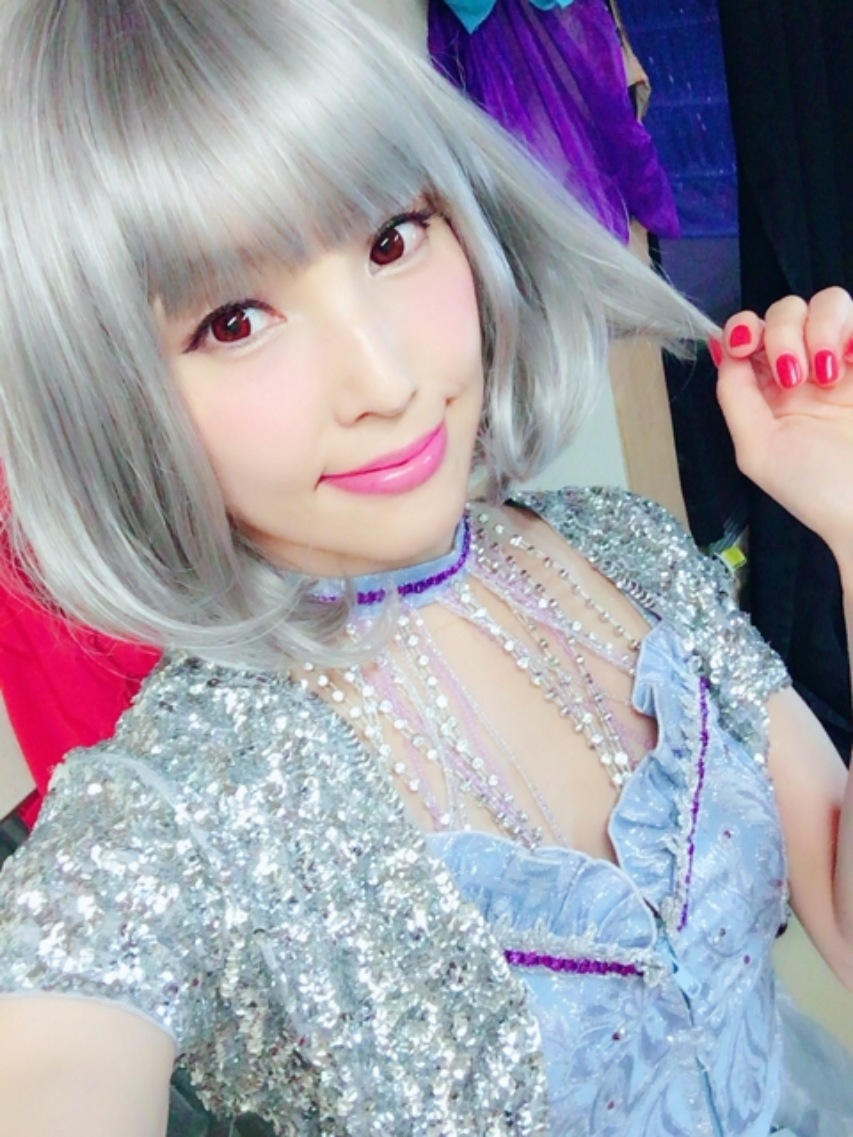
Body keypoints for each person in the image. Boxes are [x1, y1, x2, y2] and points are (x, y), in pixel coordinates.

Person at [0, 1, 852, 1134]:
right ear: (107, 396)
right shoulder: (170, 805)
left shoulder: (621, 547)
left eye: (392, 239)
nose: (385, 377)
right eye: (234, 319)